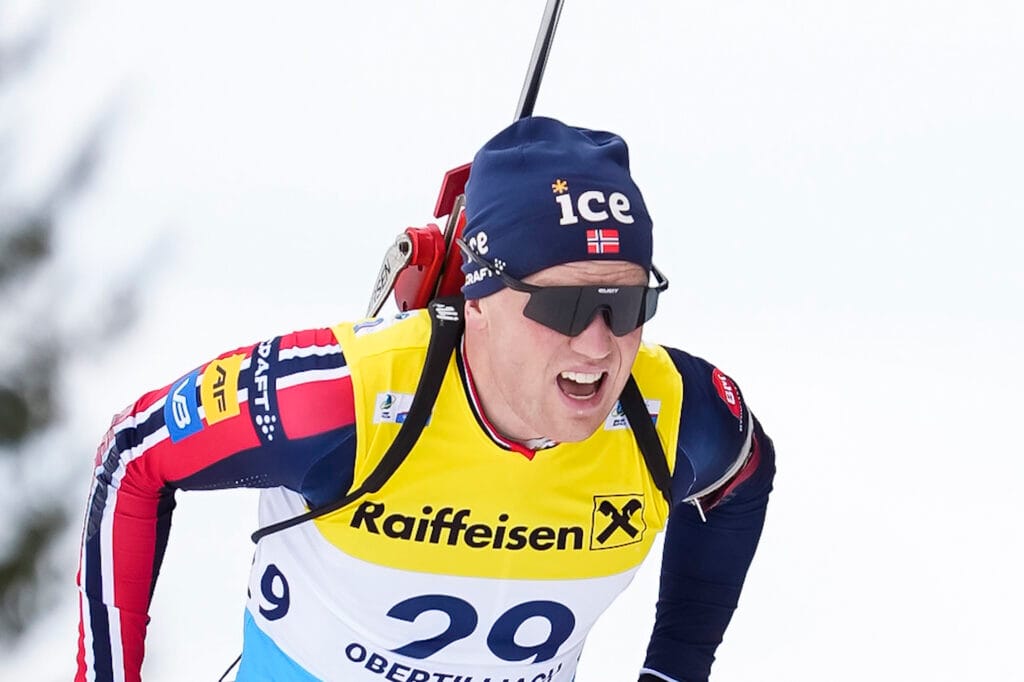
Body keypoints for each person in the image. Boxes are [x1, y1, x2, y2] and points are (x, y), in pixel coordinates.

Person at [76, 116, 775, 682]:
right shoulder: (344, 395)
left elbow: (743, 473)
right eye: (566, 306)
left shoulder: (673, 411)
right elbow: (134, 453)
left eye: (627, 303)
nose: (599, 345)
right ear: (480, 297)